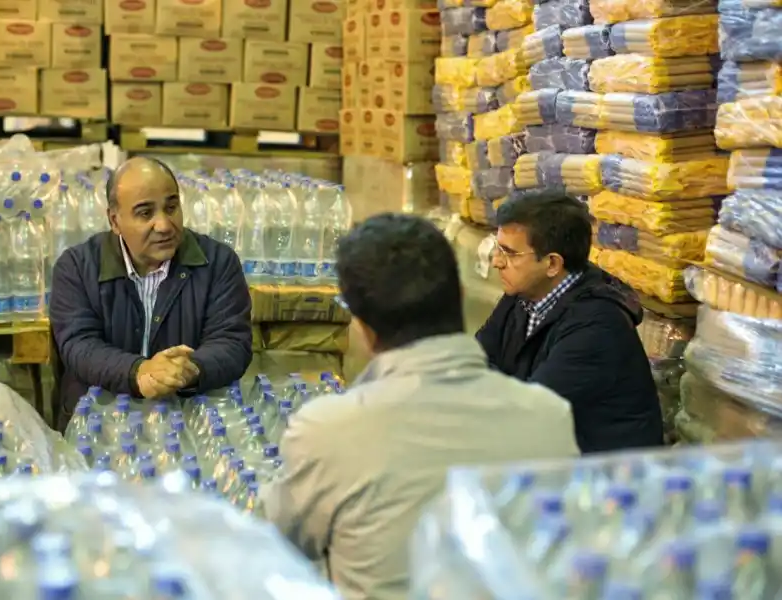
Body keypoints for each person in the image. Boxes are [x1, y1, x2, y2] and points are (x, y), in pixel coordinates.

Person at [261, 213, 579, 600]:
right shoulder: (549, 416)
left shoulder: (326, 431)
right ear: (460, 296)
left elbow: (279, 544)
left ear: (362, 327)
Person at [49, 157, 252, 431]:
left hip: (187, 427)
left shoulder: (217, 263)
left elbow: (232, 342)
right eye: (145, 213)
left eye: (171, 207)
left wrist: (187, 370)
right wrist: (138, 372)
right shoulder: (77, 267)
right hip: (98, 428)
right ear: (115, 221)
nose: (165, 225)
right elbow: (79, 345)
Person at [475, 192, 664, 453]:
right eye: (497, 248)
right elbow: (474, 360)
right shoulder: (521, 295)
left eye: (509, 253)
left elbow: (530, 410)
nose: (497, 262)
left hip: (603, 477)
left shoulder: (597, 325)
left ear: (552, 263)